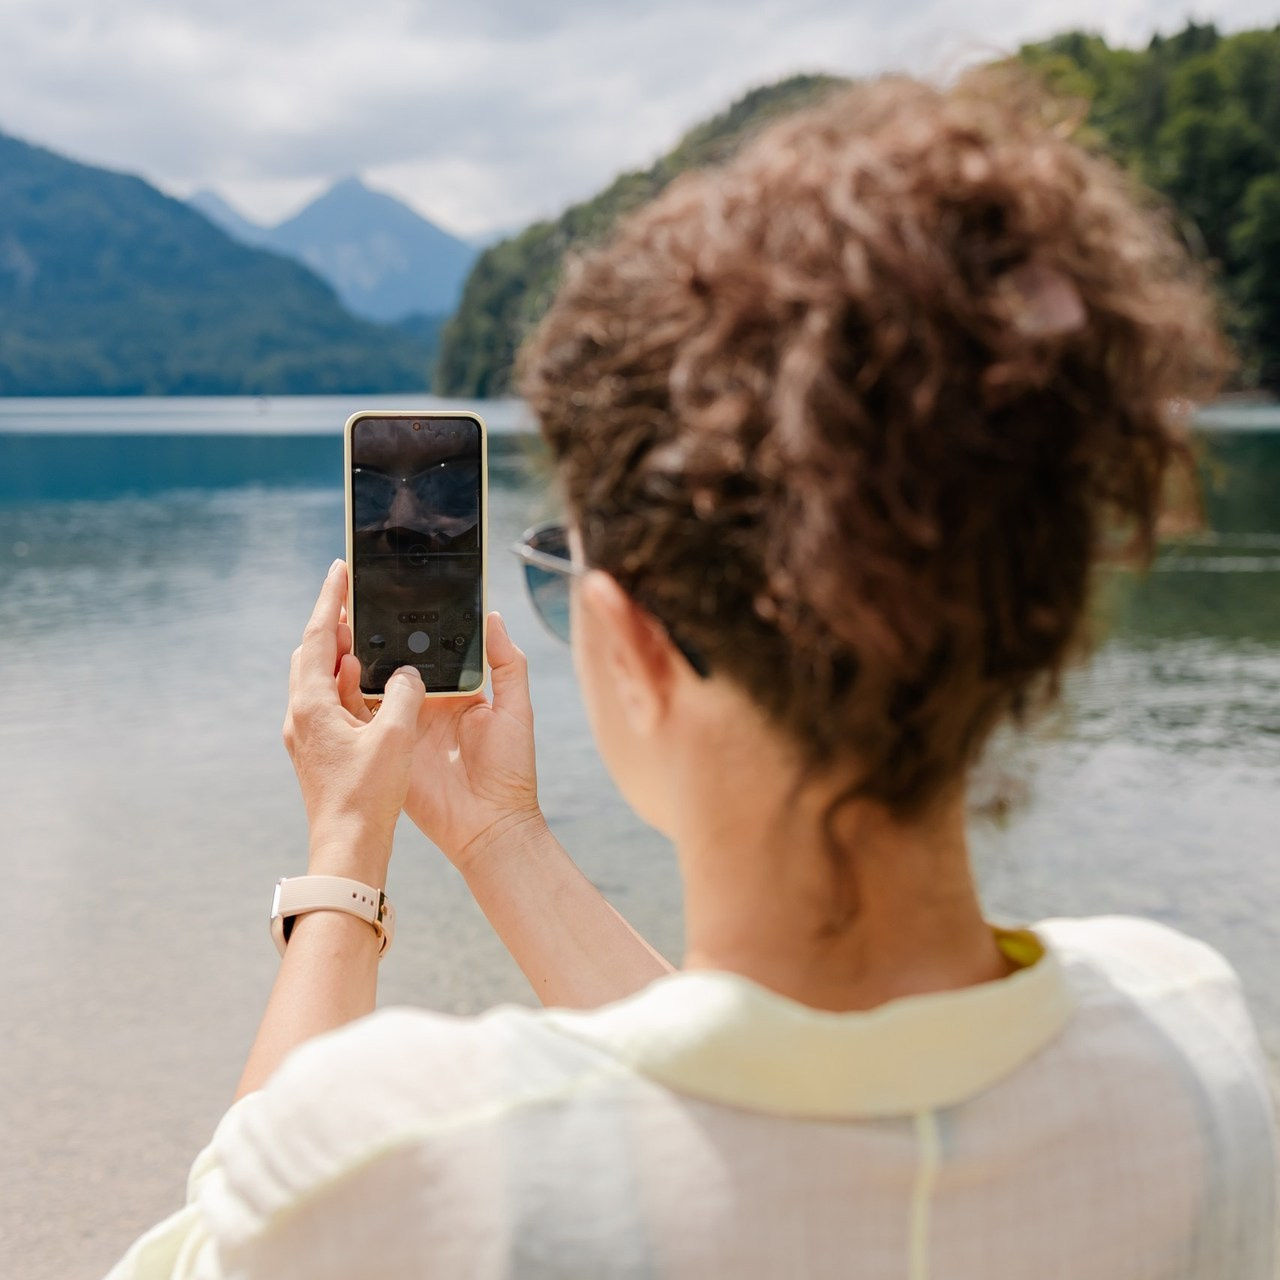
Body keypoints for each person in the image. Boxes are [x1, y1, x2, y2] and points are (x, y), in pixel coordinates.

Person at [109, 71, 1276, 1279]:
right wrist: (501, 837)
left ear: (633, 637)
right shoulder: (1190, 1045)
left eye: (563, 581)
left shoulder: (421, 1159)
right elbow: (781, 1100)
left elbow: (225, 1241)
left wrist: (344, 854)